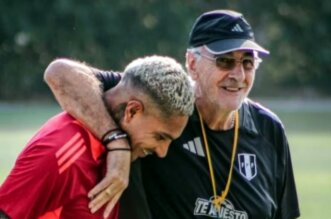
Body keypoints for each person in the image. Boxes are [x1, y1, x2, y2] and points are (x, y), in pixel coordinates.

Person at [43, 9, 300, 219]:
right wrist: (116, 141)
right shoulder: (160, 103)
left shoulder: (269, 129)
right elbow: (60, 73)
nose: (238, 75)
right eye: (225, 61)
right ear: (191, 63)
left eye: (248, 63)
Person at [0, 56, 195, 219]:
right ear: (132, 111)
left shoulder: (123, 144)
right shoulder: (61, 151)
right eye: (160, 137)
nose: (162, 152)